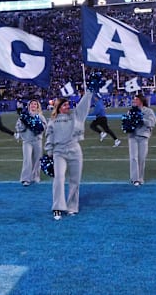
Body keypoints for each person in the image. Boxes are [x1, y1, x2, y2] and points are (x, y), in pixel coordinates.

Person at [44, 90, 93, 221]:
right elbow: (49, 137)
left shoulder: (75, 116)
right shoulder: (52, 121)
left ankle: (72, 207)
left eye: (68, 105)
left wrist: (89, 92)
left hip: (75, 150)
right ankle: (57, 208)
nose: (68, 107)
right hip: (58, 152)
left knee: (75, 180)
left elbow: (83, 106)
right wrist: (49, 153)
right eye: (64, 105)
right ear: (59, 108)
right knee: (59, 179)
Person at [126, 93, 156, 186]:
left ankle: (140, 178)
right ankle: (135, 179)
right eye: (134, 100)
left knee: (141, 158)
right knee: (133, 158)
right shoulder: (130, 111)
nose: (134, 101)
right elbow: (126, 123)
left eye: (136, 99)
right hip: (132, 136)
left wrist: (141, 119)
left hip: (143, 137)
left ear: (141, 100)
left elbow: (152, 122)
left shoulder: (148, 111)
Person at [15, 99, 47, 187]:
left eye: (35, 104)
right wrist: (25, 123)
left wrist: (37, 126)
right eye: (31, 104)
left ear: (37, 106)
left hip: (37, 141)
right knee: (27, 160)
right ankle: (25, 179)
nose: (33, 105)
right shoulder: (24, 116)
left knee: (37, 160)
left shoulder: (40, 116)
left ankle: (35, 177)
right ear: (29, 106)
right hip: (27, 141)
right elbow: (19, 127)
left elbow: (44, 127)